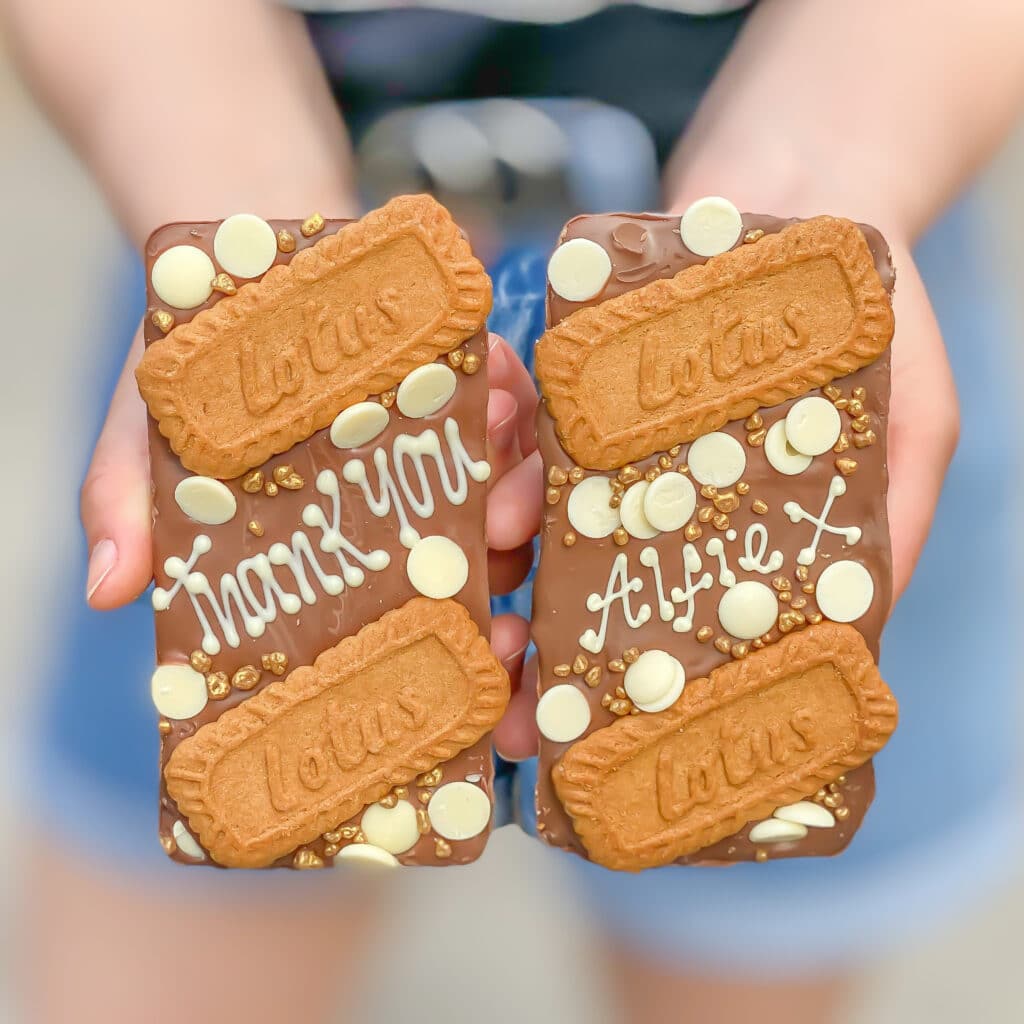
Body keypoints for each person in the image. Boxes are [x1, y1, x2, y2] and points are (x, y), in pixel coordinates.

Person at [4, 1, 1023, 1021]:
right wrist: (243, 219)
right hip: (268, 317)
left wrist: (822, 169)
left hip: (782, 321)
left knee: (731, 906)